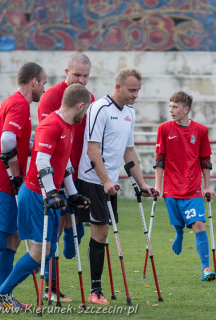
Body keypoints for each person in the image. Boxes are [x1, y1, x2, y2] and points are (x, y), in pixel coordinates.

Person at [0, 84, 92, 311]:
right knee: (41, 251)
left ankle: (3, 294)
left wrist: (73, 194)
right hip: (37, 194)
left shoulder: (68, 126)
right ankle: (2, 293)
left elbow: (64, 163)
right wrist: (52, 192)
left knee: (46, 251)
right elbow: (42, 162)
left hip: (48, 194)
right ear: (80, 106)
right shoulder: (51, 125)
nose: (84, 115)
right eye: (85, 110)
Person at [77, 67, 154, 305]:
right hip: (91, 180)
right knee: (82, 230)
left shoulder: (129, 112)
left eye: (138, 90)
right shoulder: (99, 108)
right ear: (118, 86)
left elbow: (129, 151)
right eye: (132, 90)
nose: (135, 95)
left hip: (109, 184)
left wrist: (142, 183)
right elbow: (92, 148)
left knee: (101, 232)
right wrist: (106, 180)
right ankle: (92, 290)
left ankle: (95, 290)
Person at [0, 62, 47, 309]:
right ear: (34, 82)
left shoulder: (12, 102)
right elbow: (7, 140)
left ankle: (2, 299)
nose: (44, 90)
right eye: (43, 83)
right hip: (0, 181)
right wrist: (16, 175)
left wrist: (35, 148)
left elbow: (15, 141)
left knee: (13, 239)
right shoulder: (19, 104)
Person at [37, 53, 95, 302]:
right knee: (55, 232)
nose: (81, 80)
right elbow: (45, 141)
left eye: (86, 76)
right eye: (77, 75)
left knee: (77, 233)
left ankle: (56, 274)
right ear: (66, 71)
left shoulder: (88, 98)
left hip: (77, 171)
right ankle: (51, 287)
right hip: (56, 173)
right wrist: (54, 181)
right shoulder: (51, 97)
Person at [154, 91, 216, 282]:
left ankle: (206, 269)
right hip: (171, 189)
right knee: (179, 223)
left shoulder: (200, 130)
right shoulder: (164, 129)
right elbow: (160, 160)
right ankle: (179, 232)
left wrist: (207, 186)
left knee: (199, 224)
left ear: (186, 109)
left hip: (193, 189)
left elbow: (205, 160)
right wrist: (158, 186)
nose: (171, 110)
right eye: (170, 106)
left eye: (175, 107)